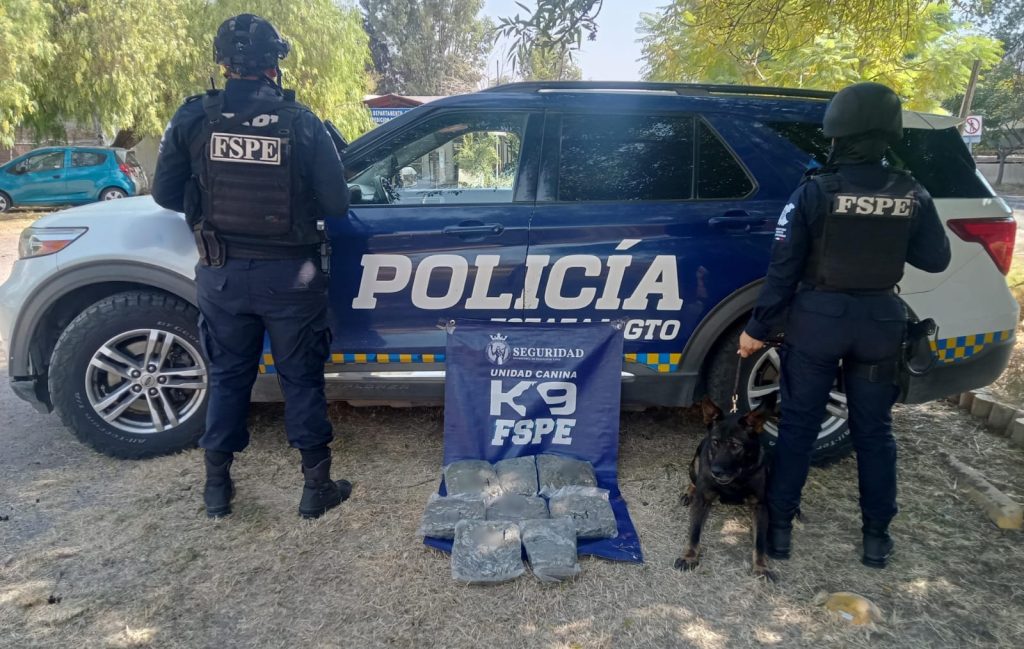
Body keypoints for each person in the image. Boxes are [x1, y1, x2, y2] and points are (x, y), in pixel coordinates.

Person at [737, 82, 951, 568]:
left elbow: (783, 270)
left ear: (837, 132)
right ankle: (876, 539)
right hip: (880, 323)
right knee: (874, 432)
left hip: (818, 323)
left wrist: (757, 328)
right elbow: (935, 259)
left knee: (798, 428)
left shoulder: (815, 191)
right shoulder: (911, 191)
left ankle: (780, 534)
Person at [152, 14, 352, 519]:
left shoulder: (194, 116)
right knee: (300, 379)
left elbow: (164, 193)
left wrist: (209, 207)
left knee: (228, 377)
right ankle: (316, 488)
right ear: (274, 65)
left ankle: (217, 489)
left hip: (221, 274)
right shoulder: (300, 122)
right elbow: (336, 203)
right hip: (290, 278)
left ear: (223, 64)